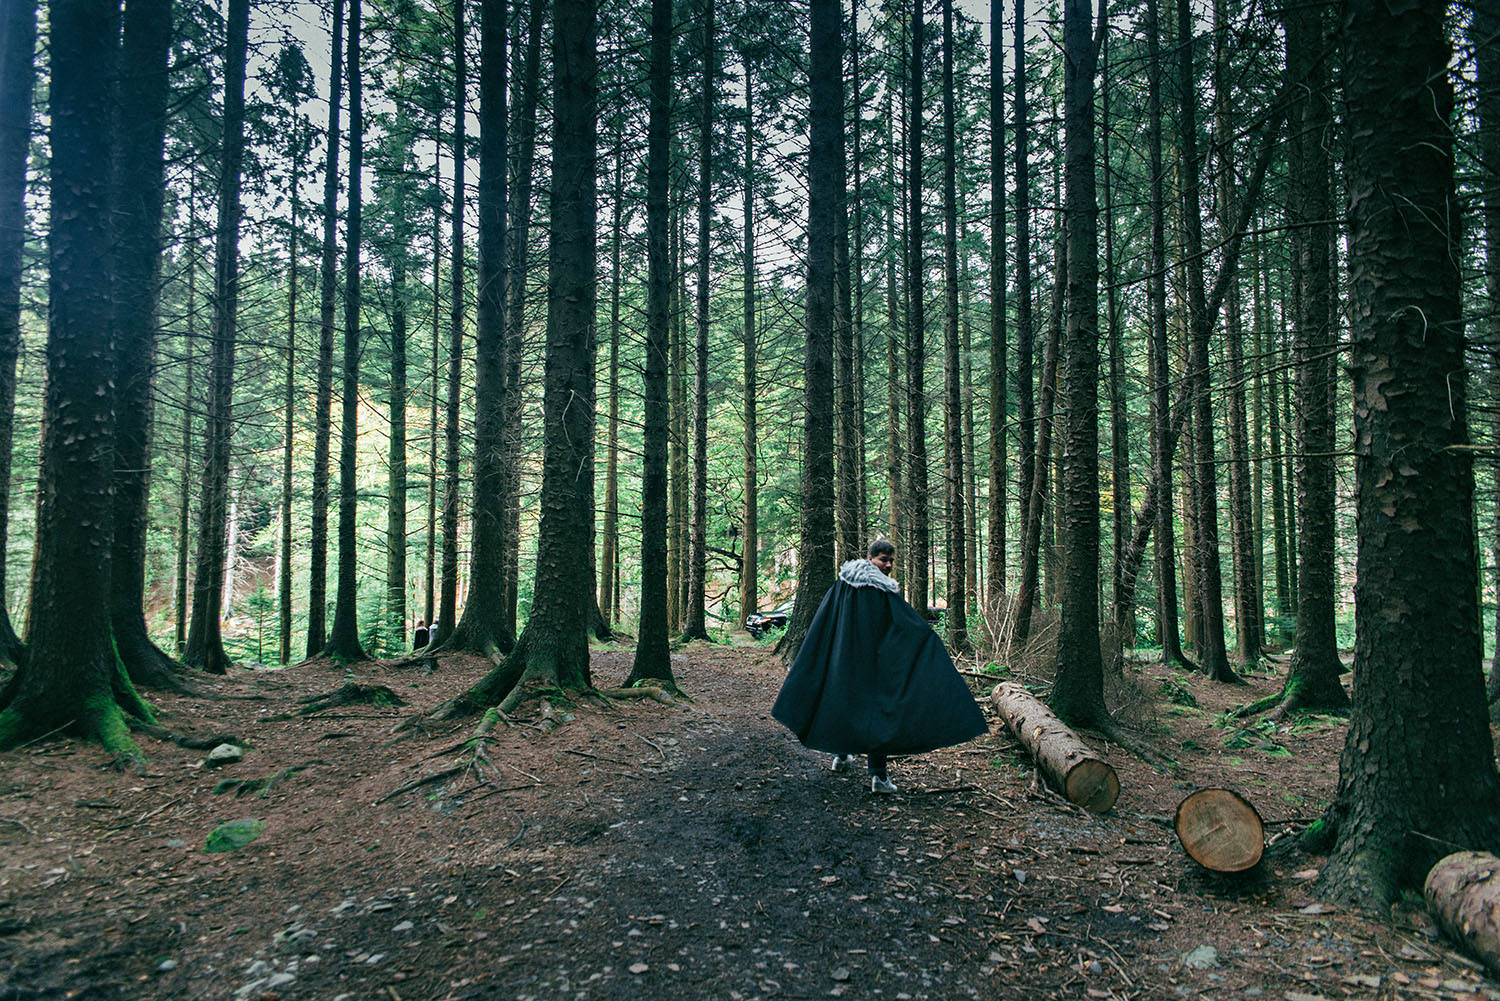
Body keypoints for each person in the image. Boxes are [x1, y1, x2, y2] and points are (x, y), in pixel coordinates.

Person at [771, 539, 987, 794]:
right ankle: (878, 777)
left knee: (844, 705)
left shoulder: (843, 584)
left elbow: (828, 620)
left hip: (844, 663)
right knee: (877, 717)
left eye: (891, 561)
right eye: (883, 560)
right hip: (871, 666)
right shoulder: (880, 591)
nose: (888, 566)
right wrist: (926, 638)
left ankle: (843, 757)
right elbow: (901, 625)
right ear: (870, 558)